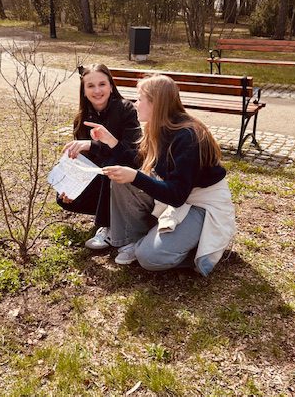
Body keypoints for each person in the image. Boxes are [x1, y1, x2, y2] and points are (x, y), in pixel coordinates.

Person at [85, 74, 236, 274]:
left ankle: (197, 249)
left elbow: (177, 195)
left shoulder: (188, 136)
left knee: (150, 258)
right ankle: (135, 240)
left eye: (140, 99)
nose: (135, 104)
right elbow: (142, 162)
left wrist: (136, 177)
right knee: (121, 180)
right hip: (180, 200)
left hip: (202, 205)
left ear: (156, 103)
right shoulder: (158, 127)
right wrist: (111, 141)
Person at [57, 64, 141, 249]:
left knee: (110, 164)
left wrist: (92, 144)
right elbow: (83, 163)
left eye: (102, 84)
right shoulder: (81, 119)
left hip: (127, 178)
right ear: (84, 91)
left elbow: (132, 155)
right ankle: (116, 216)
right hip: (100, 179)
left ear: (111, 86)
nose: (97, 91)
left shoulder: (126, 109)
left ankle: (108, 226)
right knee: (63, 197)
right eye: (90, 86)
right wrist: (71, 185)